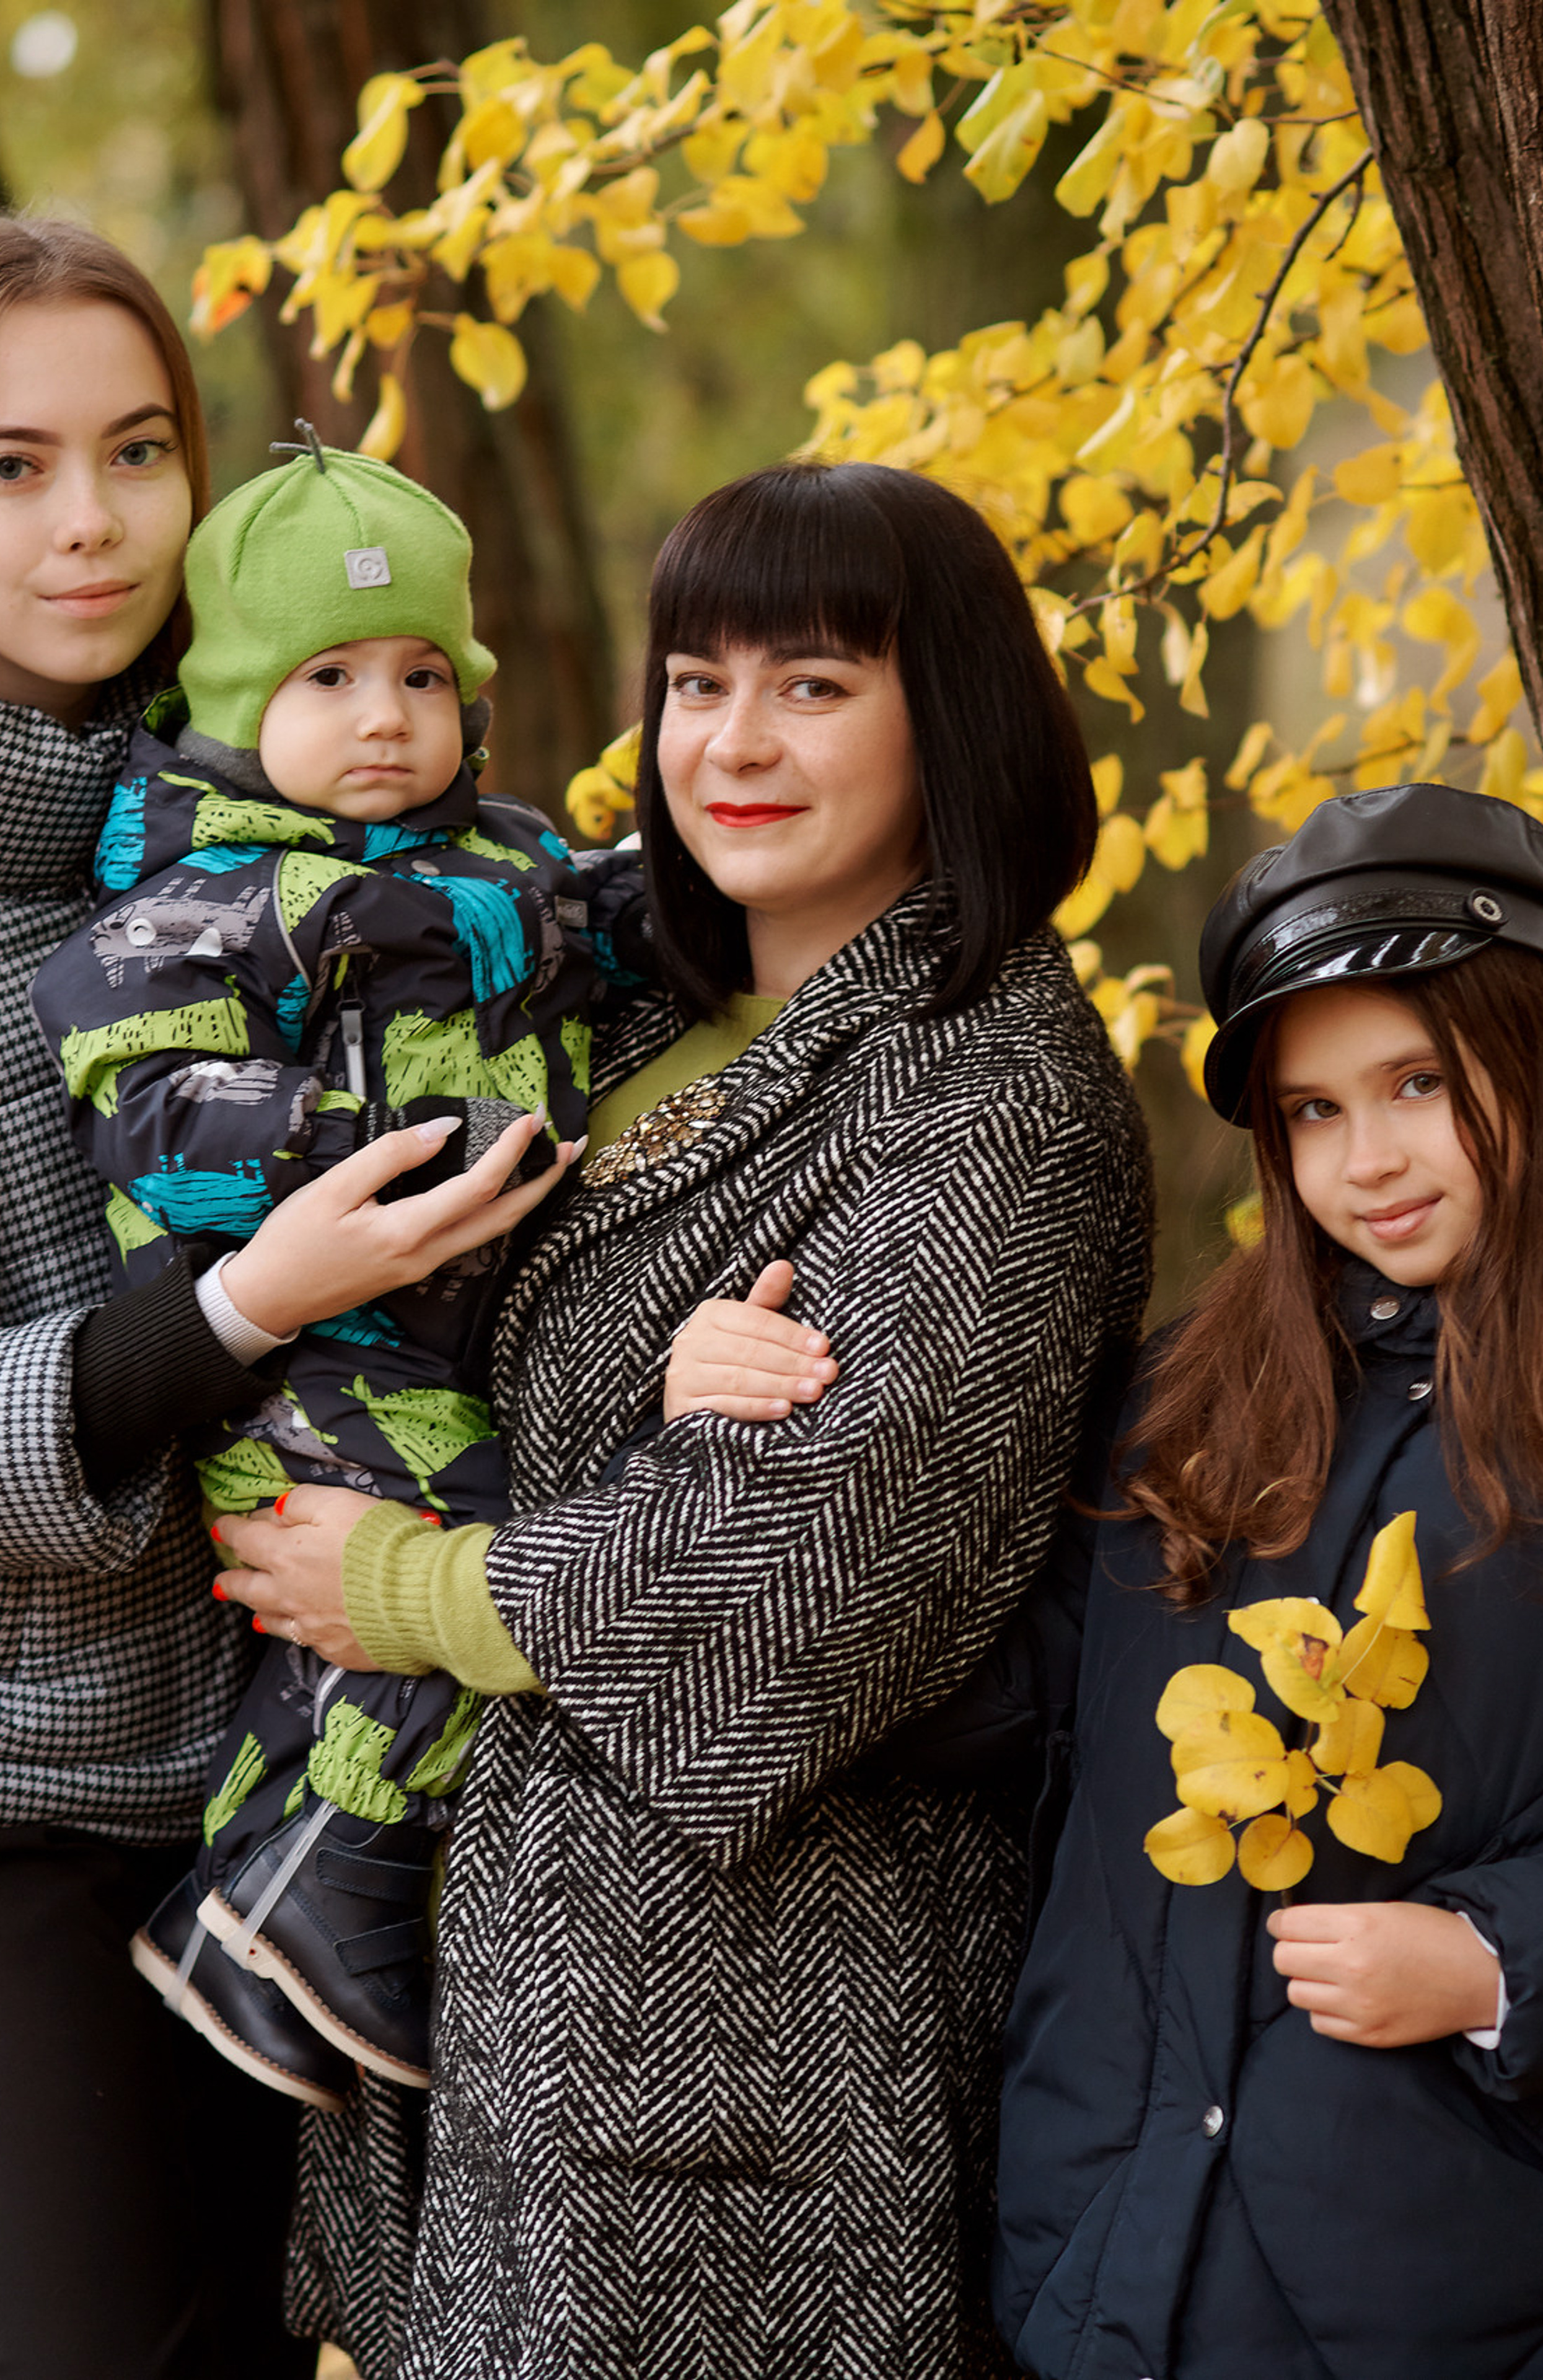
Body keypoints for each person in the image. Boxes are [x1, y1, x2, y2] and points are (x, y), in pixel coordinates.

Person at [212, 456, 1154, 2380]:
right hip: (503, 1987)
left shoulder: (993, 1097)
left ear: (952, 714)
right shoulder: (620, 1009)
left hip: (751, 2034)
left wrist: (409, 1589)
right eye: (698, 682)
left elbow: (814, 1579)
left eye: (814, 685)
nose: (733, 743)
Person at [0, 216, 568, 2380]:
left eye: (137, 449)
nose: (88, 523)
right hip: (34, 1806)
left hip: (325, 1753)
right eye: (11, 467)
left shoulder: (336, 763)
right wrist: (238, 1307)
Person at [908, 780, 1543, 2378]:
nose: (1370, 1160)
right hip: (1103, 2260)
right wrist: (747, 1438)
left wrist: (1506, 1961)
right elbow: (1003, 1699)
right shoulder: (1193, 1398)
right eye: (1313, 1113)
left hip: (1451, 2291)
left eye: (1419, 1082)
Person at [32, 426, 646, 2102]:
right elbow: (151, 1112)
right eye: (329, 679)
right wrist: (354, 1137)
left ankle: (268, 1898)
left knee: (422, 1585)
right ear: (239, 705)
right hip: (310, 1351)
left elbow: (612, 931)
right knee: (422, 1575)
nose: (386, 718)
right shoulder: (199, 904)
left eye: (421, 676)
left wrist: (684, 907)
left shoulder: (501, 858)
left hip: (451, 1329)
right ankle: (321, 1878)